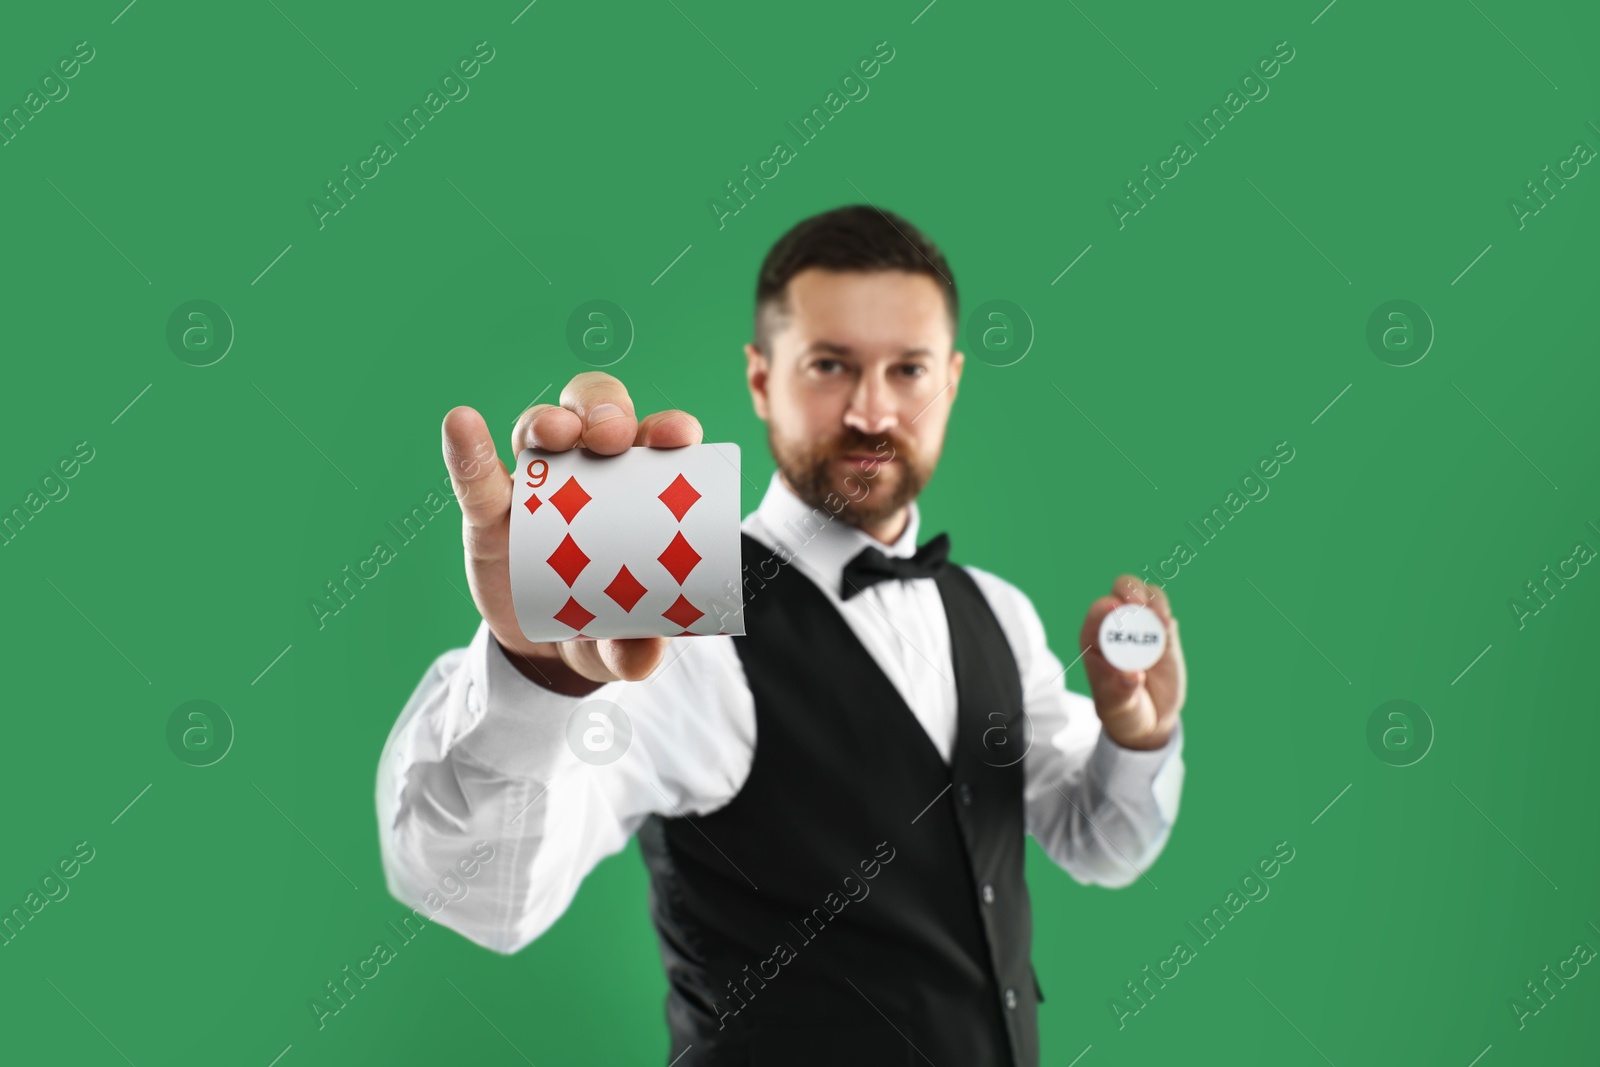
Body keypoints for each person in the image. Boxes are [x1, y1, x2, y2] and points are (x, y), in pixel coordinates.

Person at [376, 204, 1188, 1066]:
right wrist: (541, 679)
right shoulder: (669, 619)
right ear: (762, 379)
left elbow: (1099, 843)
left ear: (949, 379)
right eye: (831, 365)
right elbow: (479, 897)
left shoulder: (998, 612)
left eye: (907, 369)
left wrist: (1138, 739)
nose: (873, 410)